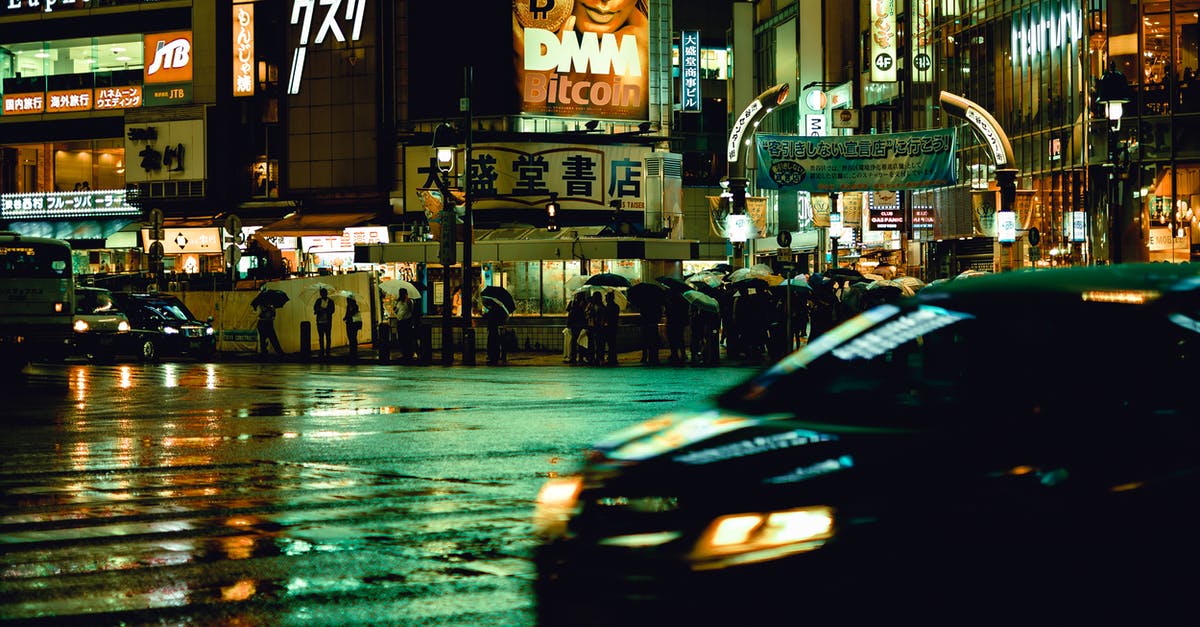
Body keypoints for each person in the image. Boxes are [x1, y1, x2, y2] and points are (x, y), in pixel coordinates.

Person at [664, 291, 689, 364]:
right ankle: (683, 354)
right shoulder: (683, 298)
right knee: (680, 338)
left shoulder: (669, 299)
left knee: (672, 339)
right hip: (680, 321)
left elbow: (668, 311)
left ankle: (674, 355)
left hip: (672, 321)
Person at [637, 294, 662, 365]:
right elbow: (659, 315)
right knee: (654, 343)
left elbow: (642, 315)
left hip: (646, 325)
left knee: (645, 342)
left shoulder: (644, 306)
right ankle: (654, 358)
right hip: (653, 325)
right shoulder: (656, 306)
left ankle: (645, 357)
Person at [391, 290, 415, 363]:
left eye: (402, 294)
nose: (400, 295)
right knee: (401, 339)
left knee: (407, 339)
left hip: (406, 322)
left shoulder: (408, 301)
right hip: (400, 322)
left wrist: (407, 300)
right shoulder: (399, 302)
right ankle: (404, 354)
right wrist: (395, 307)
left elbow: (410, 310)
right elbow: (396, 311)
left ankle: (409, 354)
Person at [566, 292, 588, 365]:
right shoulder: (573, 303)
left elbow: (586, 313)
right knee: (576, 341)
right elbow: (568, 310)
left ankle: (578, 357)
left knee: (579, 342)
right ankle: (575, 357)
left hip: (579, 325)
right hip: (576, 325)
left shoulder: (584, 303)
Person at [313, 287, 335, 358]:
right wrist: (320, 310)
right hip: (320, 321)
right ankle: (322, 351)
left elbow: (332, 310)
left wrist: (326, 310)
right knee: (321, 337)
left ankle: (327, 351)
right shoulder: (318, 301)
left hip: (327, 321)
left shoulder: (330, 301)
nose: (323, 295)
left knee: (328, 337)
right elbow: (315, 309)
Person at [602, 291, 620, 366]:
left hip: (608, 327)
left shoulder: (608, 307)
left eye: (606, 297)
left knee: (610, 344)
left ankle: (611, 358)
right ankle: (613, 358)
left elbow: (606, 318)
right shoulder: (616, 306)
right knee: (613, 344)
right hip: (614, 327)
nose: (605, 299)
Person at [586, 291, 605, 365]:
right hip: (593, 326)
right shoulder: (592, 306)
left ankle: (597, 358)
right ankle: (594, 358)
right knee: (594, 343)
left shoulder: (600, 307)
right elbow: (587, 315)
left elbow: (602, 318)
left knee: (597, 343)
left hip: (596, 327)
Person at [343, 294, 361, 360]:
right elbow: (347, 314)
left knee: (353, 336)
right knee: (350, 336)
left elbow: (353, 313)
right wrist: (345, 317)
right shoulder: (348, 306)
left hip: (354, 323)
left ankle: (354, 350)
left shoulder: (355, 306)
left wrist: (348, 315)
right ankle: (352, 350)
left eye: (348, 300)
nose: (347, 301)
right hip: (349, 323)